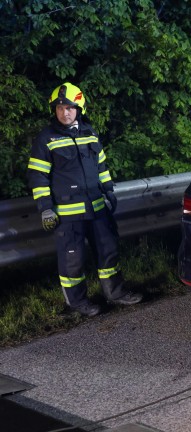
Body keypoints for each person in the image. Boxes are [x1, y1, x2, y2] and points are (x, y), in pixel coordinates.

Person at [27, 82, 142, 317]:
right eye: (59, 108)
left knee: (108, 252)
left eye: (69, 107)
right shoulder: (45, 139)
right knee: (73, 262)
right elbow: (37, 176)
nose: (64, 112)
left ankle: (116, 294)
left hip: (97, 209)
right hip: (68, 215)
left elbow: (101, 166)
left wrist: (109, 191)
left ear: (79, 109)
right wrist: (46, 209)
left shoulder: (89, 133)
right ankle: (78, 304)